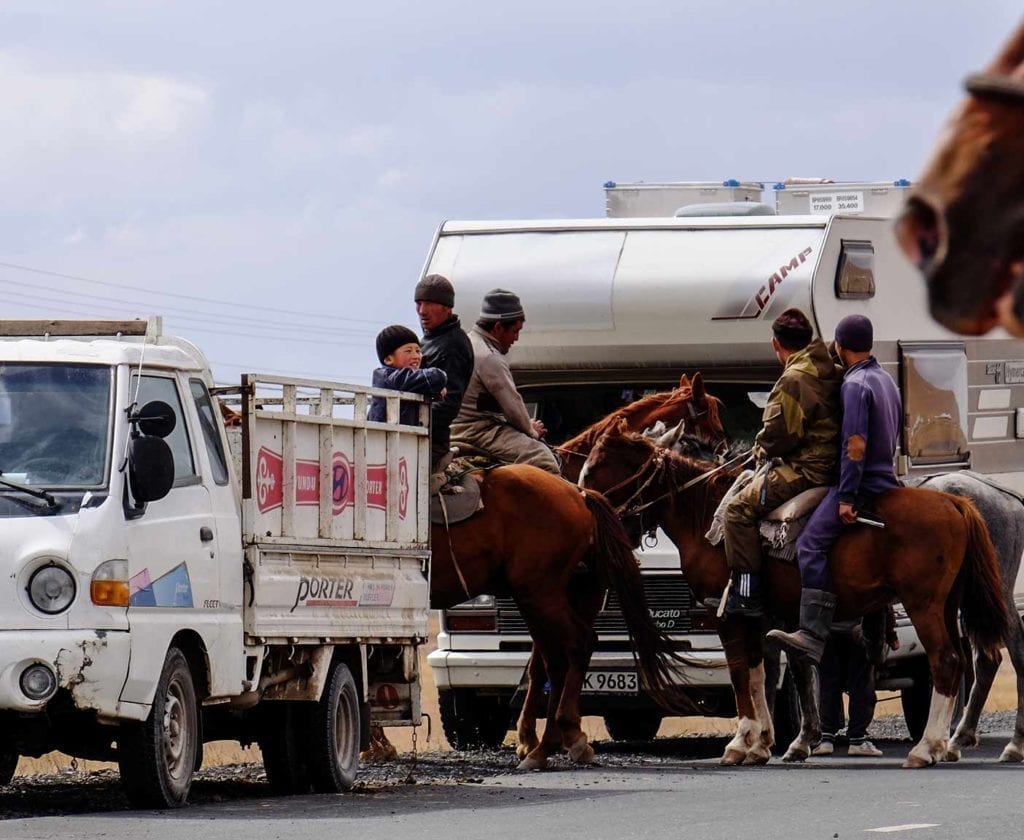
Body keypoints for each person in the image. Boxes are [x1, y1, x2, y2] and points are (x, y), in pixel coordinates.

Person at [768, 314, 902, 662]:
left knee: (810, 544)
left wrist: (846, 496)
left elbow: (855, 444)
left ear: (840, 346)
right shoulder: (886, 379)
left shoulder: (854, 384)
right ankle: (880, 626)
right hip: (888, 476)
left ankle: (812, 632)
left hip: (863, 483)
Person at [710, 308, 842, 616]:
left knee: (738, 510)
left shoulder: (794, 379)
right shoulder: (831, 370)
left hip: (807, 470)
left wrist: (759, 452)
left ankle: (746, 595)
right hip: (832, 464)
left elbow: (781, 435)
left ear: (776, 344)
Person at [450, 288, 560, 474]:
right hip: (477, 431)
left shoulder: (466, 342)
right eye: (515, 331)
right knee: (543, 458)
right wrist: (532, 431)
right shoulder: (490, 357)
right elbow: (513, 407)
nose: (516, 338)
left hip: (456, 427)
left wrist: (525, 424)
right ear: (498, 327)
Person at [415, 274, 474, 468]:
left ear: (447, 307)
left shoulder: (453, 345)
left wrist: (410, 421)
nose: (422, 311)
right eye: (419, 303)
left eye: (430, 304)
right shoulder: (428, 340)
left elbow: (447, 404)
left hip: (428, 444)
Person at [811, 621, 886, 757]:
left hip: (828, 629)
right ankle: (857, 740)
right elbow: (880, 606)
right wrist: (890, 635)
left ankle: (826, 739)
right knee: (861, 682)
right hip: (858, 630)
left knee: (828, 683)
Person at [368, 325, 447, 424]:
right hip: (390, 437)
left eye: (418, 351)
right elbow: (436, 378)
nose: (416, 356)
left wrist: (435, 389)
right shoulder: (392, 377)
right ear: (388, 360)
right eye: (408, 351)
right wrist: (440, 379)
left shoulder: (397, 379)